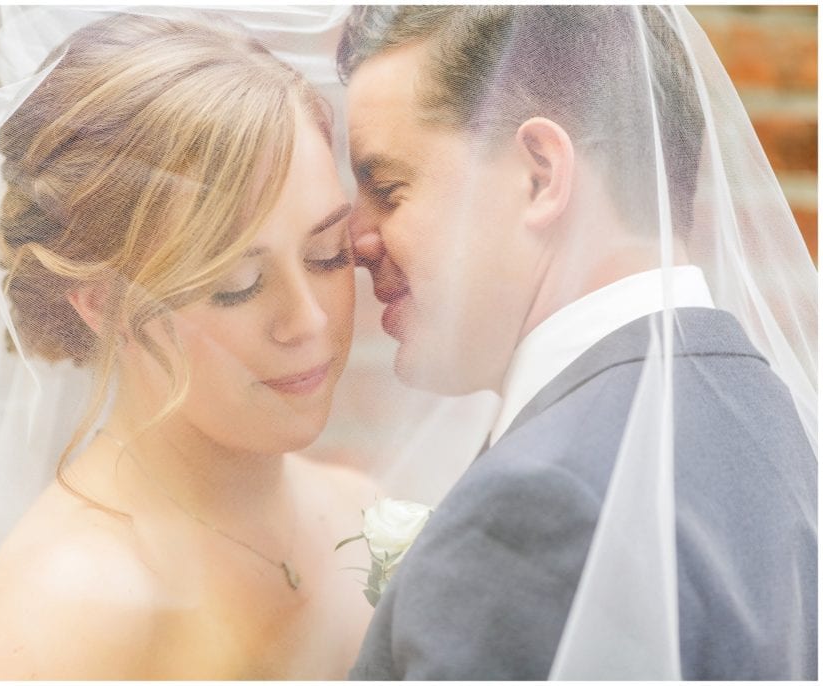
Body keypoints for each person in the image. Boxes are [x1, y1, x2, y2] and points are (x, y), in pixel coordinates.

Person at [0, 9, 375, 679]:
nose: (307, 321)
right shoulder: (65, 610)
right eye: (237, 284)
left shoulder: (360, 512)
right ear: (102, 303)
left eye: (328, 254)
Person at [337, 5, 817, 680]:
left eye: (386, 189)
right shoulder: (775, 415)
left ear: (539, 174)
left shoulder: (534, 507)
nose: (354, 239)